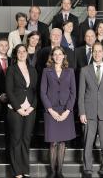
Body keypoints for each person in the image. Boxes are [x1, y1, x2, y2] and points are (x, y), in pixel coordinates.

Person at [78, 42, 103, 178]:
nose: (97, 54)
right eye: (94, 51)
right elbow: (81, 94)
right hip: (89, 112)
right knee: (88, 142)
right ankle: (87, 169)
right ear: (92, 52)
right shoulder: (84, 70)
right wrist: (82, 112)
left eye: (99, 51)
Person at [40, 46, 76, 178]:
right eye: (55, 54)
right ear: (52, 57)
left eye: (60, 54)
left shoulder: (70, 71)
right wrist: (50, 110)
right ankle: (52, 172)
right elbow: (42, 92)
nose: (57, 56)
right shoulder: (46, 71)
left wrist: (67, 111)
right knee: (53, 142)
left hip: (66, 110)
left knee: (62, 142)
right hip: (51, 110)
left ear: (64, 56)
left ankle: (60, 171)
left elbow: (73, 93)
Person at [5, 44, 37, 178]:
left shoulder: (33, 69)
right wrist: (18, 108)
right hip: (15, 109)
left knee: (26, 139)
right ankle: (17, 171)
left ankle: (25, 169)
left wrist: (32, 106)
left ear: (27, 54)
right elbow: (9, 90)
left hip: (30, 110)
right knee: (16, 139)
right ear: (16, 54)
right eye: (19, 52)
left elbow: (35, 91)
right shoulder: (11, 69)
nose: (22, 53)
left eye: (24, 51)